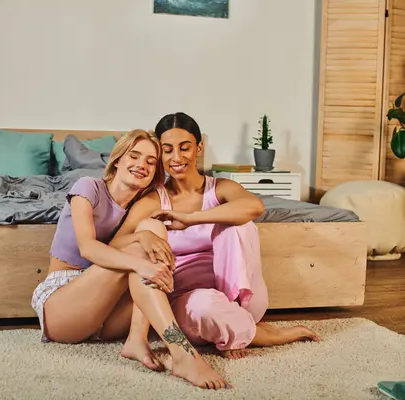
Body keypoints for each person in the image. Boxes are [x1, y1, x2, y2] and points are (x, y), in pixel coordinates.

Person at [31, 128, 232, 390]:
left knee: (154, 231)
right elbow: (89, 249)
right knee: (144, 247)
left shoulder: (142, 206)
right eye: (134, 156)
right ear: (118, 160)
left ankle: (137, 339)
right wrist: (141, 259)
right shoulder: (88, 188)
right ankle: (182, 354)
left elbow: (137, 243)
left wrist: (147, 238)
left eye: (150, 162)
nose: (141, 165)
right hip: (63, 303)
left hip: (108, 315)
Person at [110, 112, 320, 363]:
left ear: (199, 147)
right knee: (205, 306)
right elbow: (115, 245)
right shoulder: (154, 200)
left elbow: (254, 207)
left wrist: (190, 219)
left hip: (245, 298)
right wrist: (143, 237)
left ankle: (237, 320)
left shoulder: (220, 188)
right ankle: (263, 334)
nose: (176, 157)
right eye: (167, 150)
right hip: (191, 301)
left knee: (237, 225)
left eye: (184, 148)